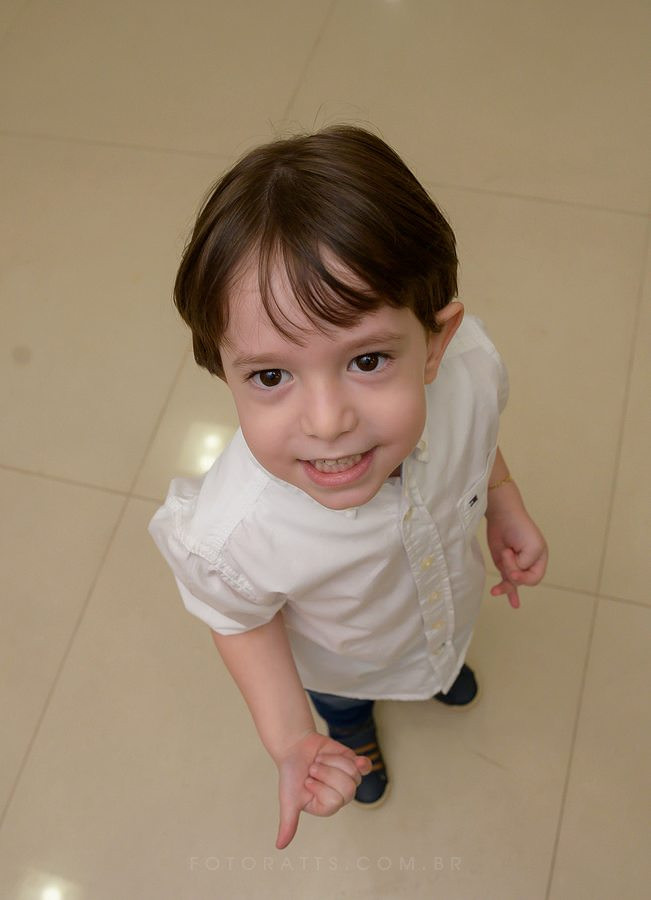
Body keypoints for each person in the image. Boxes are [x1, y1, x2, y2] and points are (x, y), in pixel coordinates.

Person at [149, 125, 548, 850]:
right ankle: (352, 724)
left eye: (366, 361)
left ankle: (435, 671)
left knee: (442, 647)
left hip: (444, 597)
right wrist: (289, 736)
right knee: (344, 697)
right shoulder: (234, 531)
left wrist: (503, 500)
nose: (328, 421)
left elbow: (479, 437)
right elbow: (239, 619)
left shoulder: (469, 377)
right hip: (342, 659)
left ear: (435, 344)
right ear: (224, 371)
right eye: (271, 376)